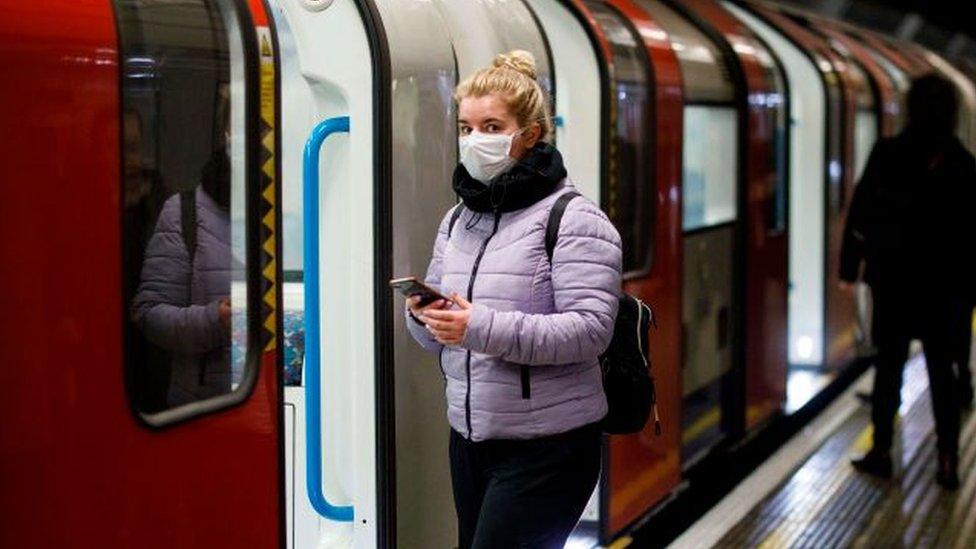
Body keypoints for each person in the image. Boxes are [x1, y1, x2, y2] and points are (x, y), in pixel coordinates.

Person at [403, 50, 622, 548]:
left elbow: (590, 331)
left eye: (491, 125)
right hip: (471, 439)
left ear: (531, 134)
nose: (474, 140)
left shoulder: (574, 219)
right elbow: (439, 338)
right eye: (465, 127)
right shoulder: (459, 219)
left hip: (549, 448)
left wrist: (477, 326)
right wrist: (425, 315)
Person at [840, 74, 976, 489]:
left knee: (889, 369)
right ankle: (948, 460)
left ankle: (882, 450)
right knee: (943, 374)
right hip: (943, 288)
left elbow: (860, 213)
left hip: (894, 283)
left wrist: (850, 267)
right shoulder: (963, 163)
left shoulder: (887, 154)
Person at [131, 147, 235, 407]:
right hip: (203, 408)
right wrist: (215, 320)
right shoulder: (184, 212)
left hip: (281, 400)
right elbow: (149, 314)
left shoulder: (293, 205)